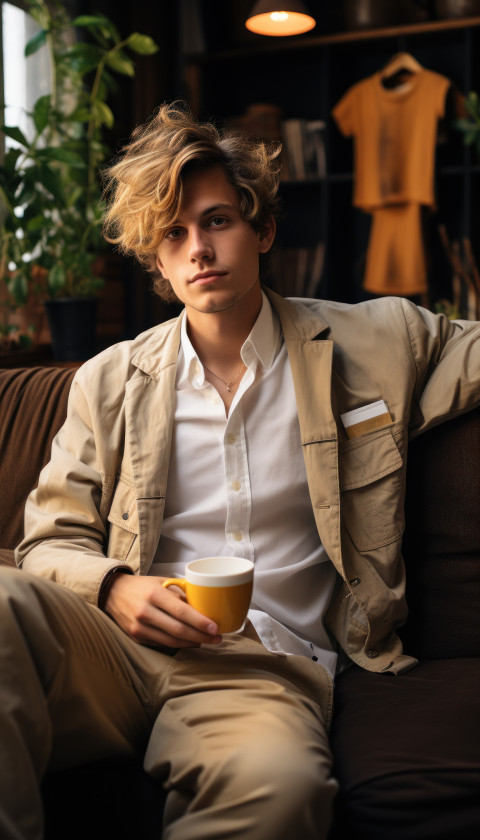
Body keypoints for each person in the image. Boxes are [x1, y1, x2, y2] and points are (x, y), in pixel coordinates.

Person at [1, 101, 480, 840]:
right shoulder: (108, 379)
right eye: (174, 233)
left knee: (280, 793)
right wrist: (114, 586)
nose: (199, 248)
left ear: (262, 230)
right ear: (156, 260)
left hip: (256, 669)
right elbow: (46, 542)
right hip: (114, 648)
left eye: (217, 220)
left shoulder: (378, 341)